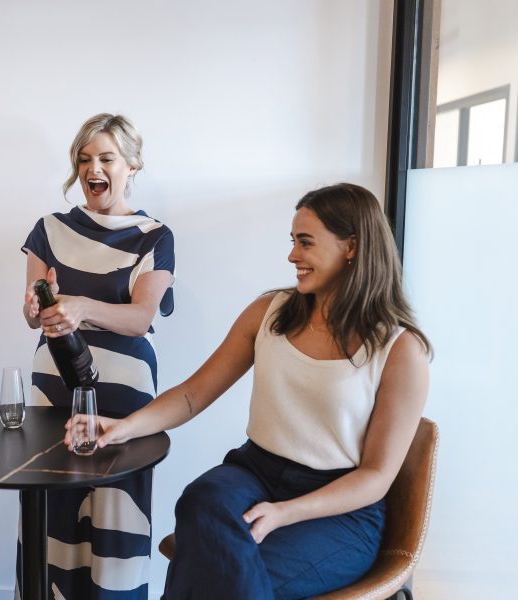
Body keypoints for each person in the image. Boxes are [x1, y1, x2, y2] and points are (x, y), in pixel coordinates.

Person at [71, 183, 431, 599]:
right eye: (293, 241)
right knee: (199, 500)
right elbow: (194, 394)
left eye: (306, 242)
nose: (292, 255)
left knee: (214, 572)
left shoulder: (401, 350)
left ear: (351, 247)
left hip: (340, 510)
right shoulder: (270, 313)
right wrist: (124, 427)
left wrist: (283, 514)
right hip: (255, 471)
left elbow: (375, 477)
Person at [21, 114, 176, 599]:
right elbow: (34, 313)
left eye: (106, 158)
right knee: (53, 515)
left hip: (123, 402)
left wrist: (83, 307)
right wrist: (34, 308)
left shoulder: (154, 237)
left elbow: (140, 317)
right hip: (55, 391)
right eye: (84, 159)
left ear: (132, 165)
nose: (94, 168)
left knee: (116, 526)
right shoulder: (49, 229)